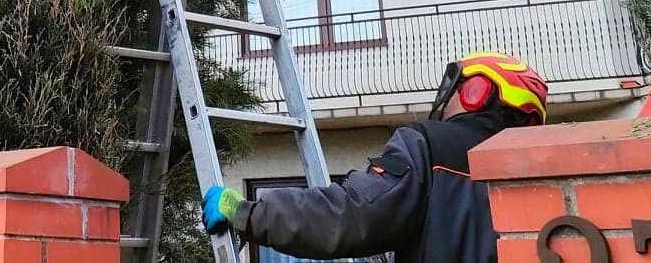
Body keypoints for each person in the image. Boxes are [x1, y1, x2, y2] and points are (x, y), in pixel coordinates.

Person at [202, 52, 549, 263]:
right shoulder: (551, 168)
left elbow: (354, 214)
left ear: (477, 92)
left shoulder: (430, 145)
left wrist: (245, 211)